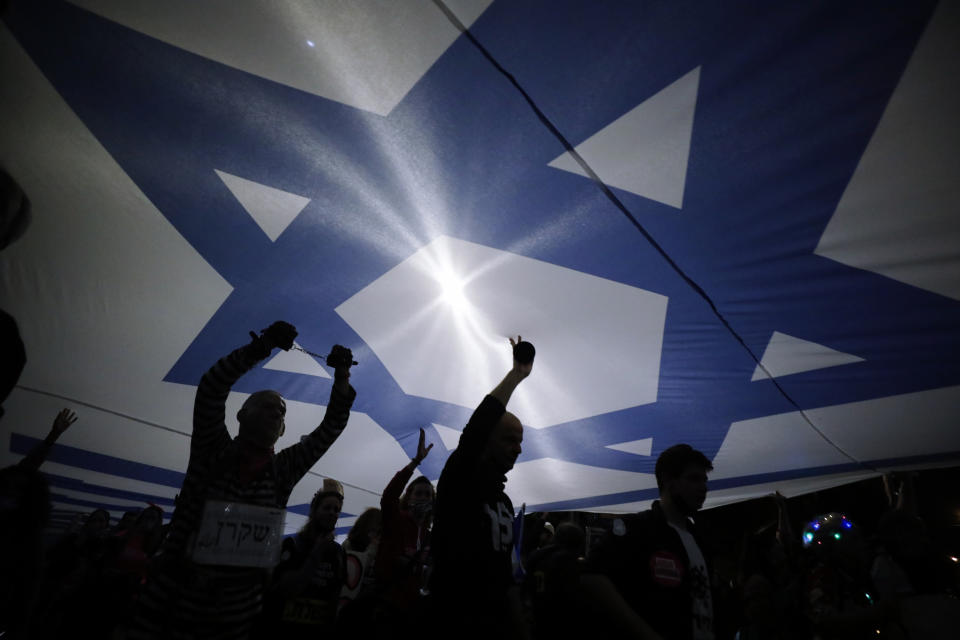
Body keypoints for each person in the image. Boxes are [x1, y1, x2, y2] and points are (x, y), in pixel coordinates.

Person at [128, 321, 356, 640]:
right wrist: (262, 346)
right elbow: (211, 387)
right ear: (241, 414)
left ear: (282, 431)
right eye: (267, 404)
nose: (277, 411)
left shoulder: (283, 470)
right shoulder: (212, 451)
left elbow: (331, 427)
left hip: (234, 620)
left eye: (282, 411)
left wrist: (343, 374)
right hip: (171, 609)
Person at [428, 336, 533, 639]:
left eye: (521, 442)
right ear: (488, 440)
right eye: (510, 440)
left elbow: (506, 574)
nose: (518, 449)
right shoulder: (461, 479)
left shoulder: (505, 503)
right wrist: (516, 375)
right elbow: (477, 427)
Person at [582, 443, 717, 640]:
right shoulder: (637, 529)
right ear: (667, 480)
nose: (703, 488)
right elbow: (591, 576)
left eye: (704, 481)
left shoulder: (700, 538)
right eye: (694, 479)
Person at [257, 478, 346, 639]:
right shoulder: (292, 544)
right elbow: (285, 589)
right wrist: (316, 553)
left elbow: (335, 595)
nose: (333, 513)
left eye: (336, 509)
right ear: (313, 511)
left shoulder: (338, 553)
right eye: (327, 508)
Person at [374, 426, 435, 630]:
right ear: (408, 498)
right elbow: (389, 496)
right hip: (387, 611)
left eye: (428, 495)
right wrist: (415, 462)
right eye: (418, 493)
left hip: (416, 614)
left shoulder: (429, 537)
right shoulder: (396, 521)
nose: (424, 498)